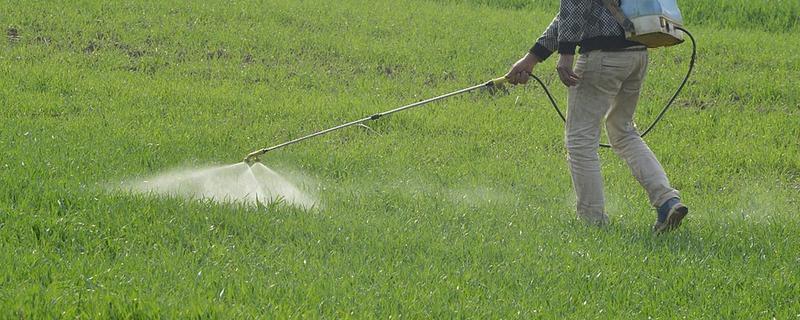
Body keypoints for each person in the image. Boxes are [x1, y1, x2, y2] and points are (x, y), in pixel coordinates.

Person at [505, 0, 688, 232]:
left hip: (603, 56)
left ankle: (592, 222)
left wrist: (566, 54)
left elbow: (574, 5)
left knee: (580, 140)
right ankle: (667, 201)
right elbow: (571, 14)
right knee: (624, 132)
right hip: (637, 53)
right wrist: (532, 58)